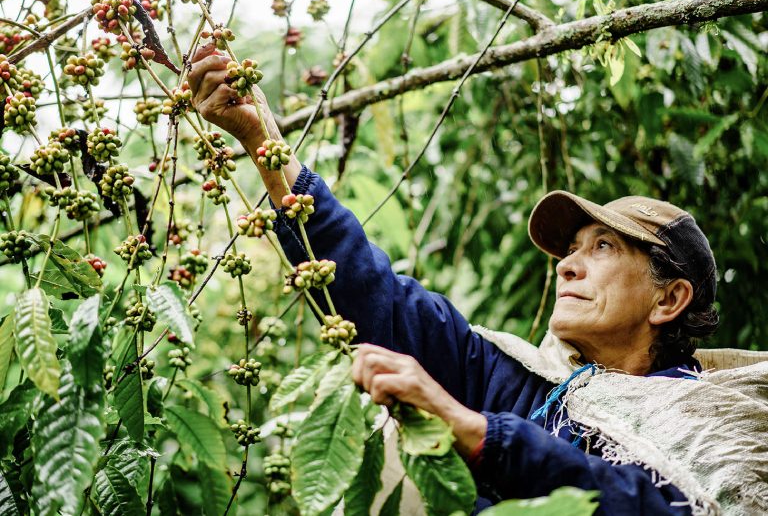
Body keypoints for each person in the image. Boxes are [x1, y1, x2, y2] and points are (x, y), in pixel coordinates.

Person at [189, 45, 767, 515]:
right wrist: (260, 138)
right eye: (569, 250)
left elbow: (660, 510)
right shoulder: (525, 386)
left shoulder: (725, 426)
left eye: (603, 247)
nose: (566, 265)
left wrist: (475, 431)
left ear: (668, 298)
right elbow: (375, 294)